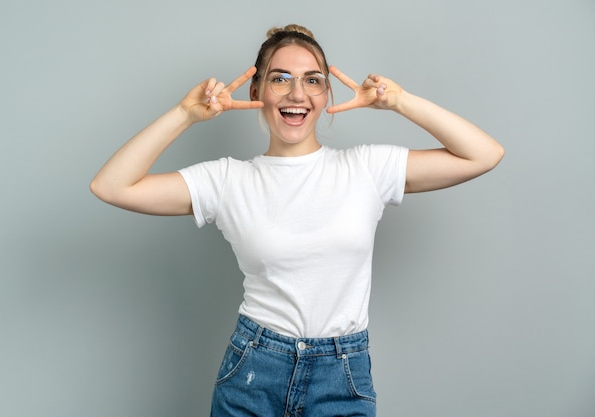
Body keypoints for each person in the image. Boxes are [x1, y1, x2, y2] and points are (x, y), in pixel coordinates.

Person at [90, 24, 504, 417]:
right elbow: (112, 186)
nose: (296, 93)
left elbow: (483, 154)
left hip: (343, 373)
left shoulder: (366, 168)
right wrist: (185, 113)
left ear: (326, 94)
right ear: (257, 90)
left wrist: (399, 101)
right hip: (254, 370)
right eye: (280, 78)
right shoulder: (228, 179)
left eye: (312, 80)